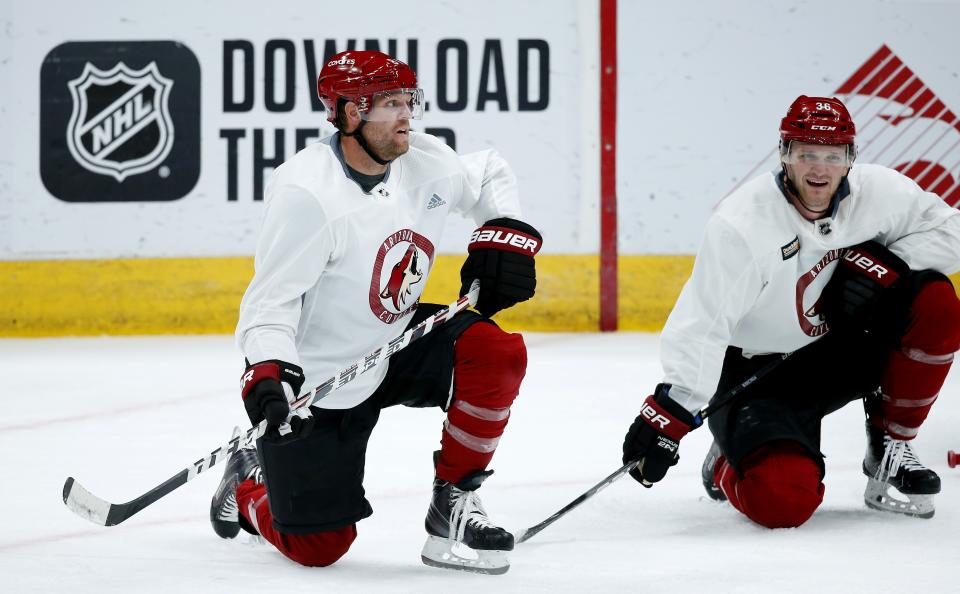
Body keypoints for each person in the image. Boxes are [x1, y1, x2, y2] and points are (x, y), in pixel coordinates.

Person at [208, 50, 541, 574]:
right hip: (324, 371)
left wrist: (506, 232)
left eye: (409, 99)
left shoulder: (427, 163)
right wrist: (268, 368)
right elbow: (270, 302)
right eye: (390, 103)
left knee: (493, 351)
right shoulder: (308, 194)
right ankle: (247, 484)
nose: (406, 114)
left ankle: (453, 501)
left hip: (398, 341)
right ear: (347, 114)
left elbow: (490, 168)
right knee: (320, 547)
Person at [621, 95, 960, 527]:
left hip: (837, 349)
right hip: (754, 376)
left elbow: (952, 231)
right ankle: (731, 459)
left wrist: (885, 265)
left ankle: (891, 447)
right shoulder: (743, 224)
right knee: (782, 502)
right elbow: (704, 323)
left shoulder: (881, 193)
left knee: (935, 301)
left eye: (832, 155)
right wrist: (672, 409)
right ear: (785, 154)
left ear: (850, 158)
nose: (820, 169)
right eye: (807, 154)